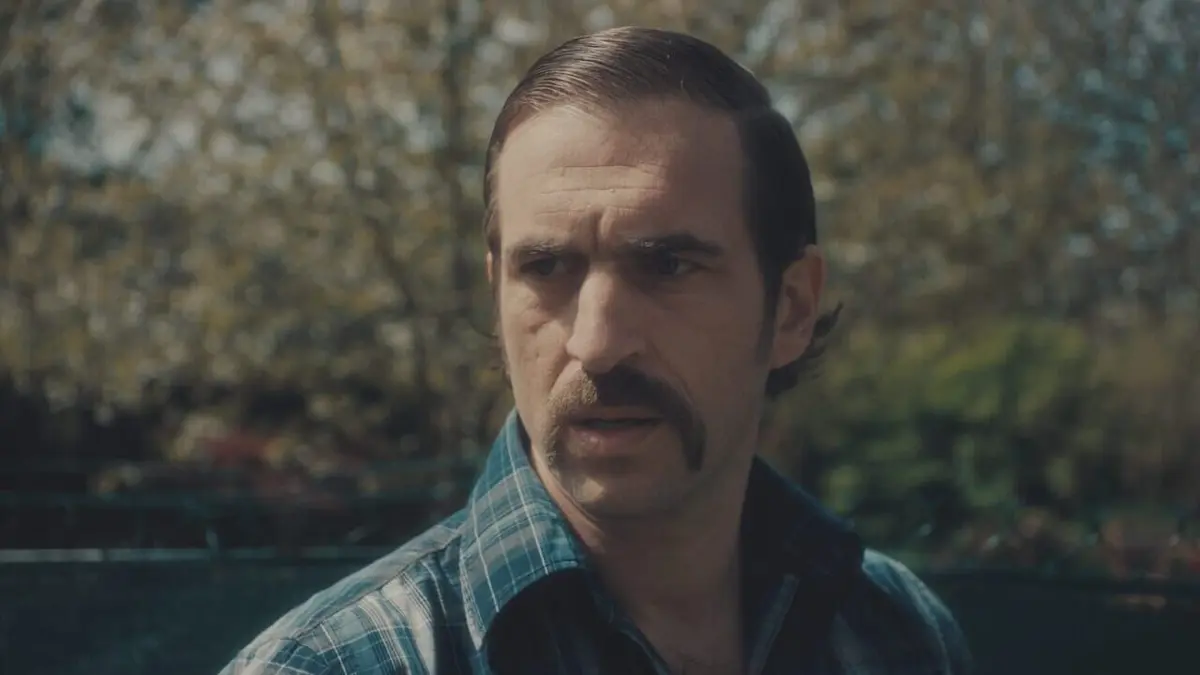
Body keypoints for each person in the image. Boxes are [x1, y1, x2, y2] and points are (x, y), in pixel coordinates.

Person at [221, 26, 972, 675]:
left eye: (668, 266)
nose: (597, 343)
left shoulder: (894, 631)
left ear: (792, 307)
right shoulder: (332, 663)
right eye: (547, 267)